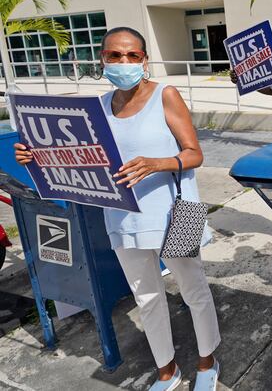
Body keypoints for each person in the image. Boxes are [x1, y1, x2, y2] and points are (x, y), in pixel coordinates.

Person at [16, 27, 220, 391]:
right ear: (102, 60)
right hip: (123, 216)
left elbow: (195, 154)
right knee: (147, 297)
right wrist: (34, 156)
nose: (123, 62)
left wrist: (157, 163)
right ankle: (167, 371)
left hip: (179, 212)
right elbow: (78, 157)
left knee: (194, 290)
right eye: (114, 55)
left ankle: (207, 361)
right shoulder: (98, 107)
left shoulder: (166, 95)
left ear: (144, 60)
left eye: (131, 55)